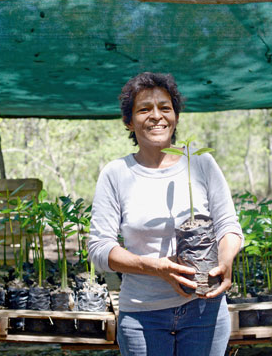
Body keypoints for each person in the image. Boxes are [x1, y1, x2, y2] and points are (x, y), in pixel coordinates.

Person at [88, 72, 243, 356]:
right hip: (142, 315)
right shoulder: (116, 173)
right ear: (128, 122)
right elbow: (99, 248)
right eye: (144, 109)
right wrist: (155, 267)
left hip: (204, 308)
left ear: (176, 117)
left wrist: (225, 258)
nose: (156, 116)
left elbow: (228, 226)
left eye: (165, 108)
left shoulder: (201, 163)